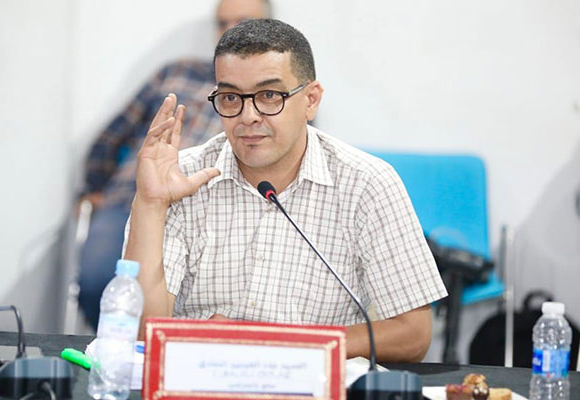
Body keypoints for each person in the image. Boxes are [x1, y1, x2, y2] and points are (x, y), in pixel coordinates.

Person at [124, 19, 448, 362]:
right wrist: (151, 203)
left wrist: (275, 341)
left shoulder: (367, 183)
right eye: (231, 98)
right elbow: (142, 332)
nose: (248, 116)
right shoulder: (181, 178)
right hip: (197, 373)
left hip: (313, 378)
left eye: (269, 96)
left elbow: (413, 335)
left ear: (311, 100)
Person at [77, 0, 272, 329]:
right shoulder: (177, 73)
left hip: (210, 213)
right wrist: (93, 188)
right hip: (132, 199)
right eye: (222, 23)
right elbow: (111, 136)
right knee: (98, 284)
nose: (230, 31)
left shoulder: (277, 95)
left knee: (201, 302)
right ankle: (116, 352)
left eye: (242, 22)